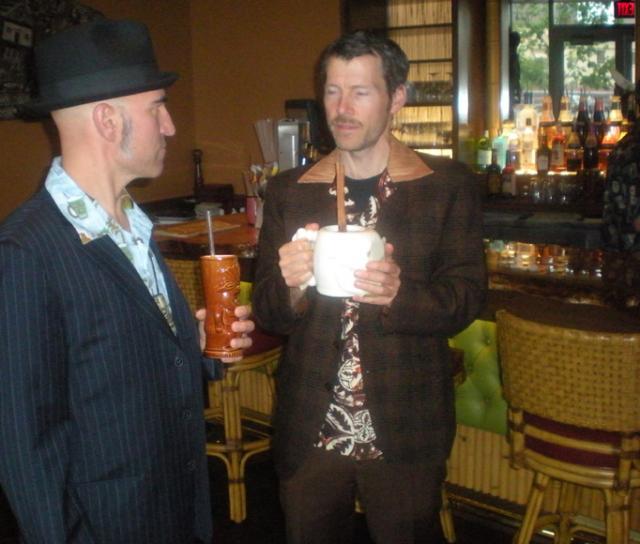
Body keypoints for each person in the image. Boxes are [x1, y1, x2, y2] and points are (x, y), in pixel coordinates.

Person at [0, 19, 253, 544]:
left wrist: (200, 345)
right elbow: (26, 447)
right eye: (157, 108)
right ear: (108, 120)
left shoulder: (132, 225)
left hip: (175, 509)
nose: (170, 126)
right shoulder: (25, 253)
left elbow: (116, 369)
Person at [252, 31, 487, 543]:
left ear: (396, 98)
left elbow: (467, 297)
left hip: (405, 421)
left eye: (360, 92)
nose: (342, 108)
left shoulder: (446, 187)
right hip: (311, 423)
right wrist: (291, 286)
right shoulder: (290, 191)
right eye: (333, 91)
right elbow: (268, 312)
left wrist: (402, 295)